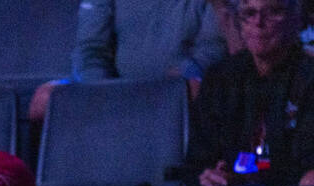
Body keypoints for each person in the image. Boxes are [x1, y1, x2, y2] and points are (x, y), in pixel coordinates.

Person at [187, 0, 314, 186]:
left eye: (273, 12)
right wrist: (209, 175)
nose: (258, 22)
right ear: (239, 24)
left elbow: (310, 163)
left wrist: (244, 179)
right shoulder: (220, 79)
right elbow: (199, 157)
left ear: (295, 20)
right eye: (250, 13)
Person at [28, 0, 228, 121]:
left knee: (196, 89)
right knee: (45, 99)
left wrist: (169, 86)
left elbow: (210, 50)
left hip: (175, 90)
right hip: (114, 89)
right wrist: (104, 91)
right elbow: (90, 49)